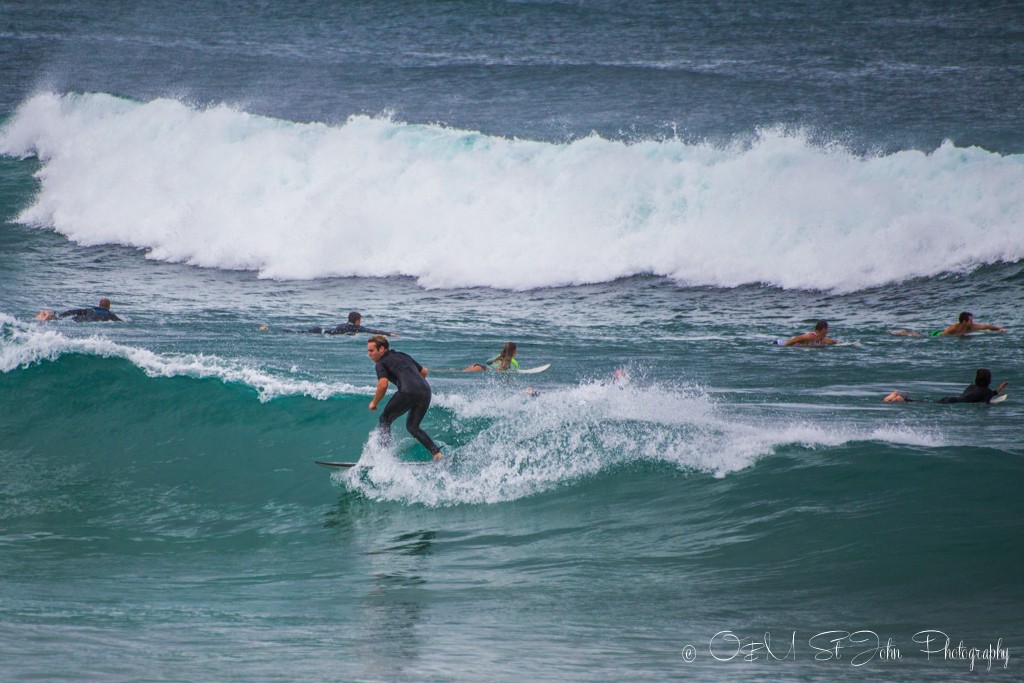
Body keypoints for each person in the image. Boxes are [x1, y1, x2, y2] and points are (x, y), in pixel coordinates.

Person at [367, 335, 443, 460]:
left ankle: (383, 457)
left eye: (371, 351)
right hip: (425, 391)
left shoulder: (381, 363)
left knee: (384, 419)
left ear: (381, 349)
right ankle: (437, 453)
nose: (369, 354)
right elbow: (424, 372)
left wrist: (374, 402)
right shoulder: (403, 355)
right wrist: (415, 387)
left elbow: (383, 384)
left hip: (408, 391)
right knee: (413, 427)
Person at [883, 368, 1008, 404]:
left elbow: (979, 394)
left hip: (951, 398)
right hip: (953, 403)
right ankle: (900, 399)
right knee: (926, 403)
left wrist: (997, 391)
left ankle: (900, 398)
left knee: (926, 402)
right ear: (988, 380)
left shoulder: (971, 387)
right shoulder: (986, 392)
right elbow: (985, 400)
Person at [891, 311, 1007, 337]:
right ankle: (903, 332)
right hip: (937, 334)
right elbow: (942, 336)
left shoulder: (972, 326)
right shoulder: (953, 328)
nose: (972, 322)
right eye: (970, 320)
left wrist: (999, 329)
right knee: (919, 336)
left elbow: (986, 326)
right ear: (964, 321)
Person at [300, 311, 395, 336]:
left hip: (320, 330)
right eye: (360, 320)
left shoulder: (343, 325)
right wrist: (388, 334)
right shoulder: (355, 328)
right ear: (357, 321)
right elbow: (372, 331)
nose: (360, 322)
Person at [36, 298, 122, 323]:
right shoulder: (111, 315)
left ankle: (47, 315)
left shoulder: (91, 310)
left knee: (58, 318)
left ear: (99, 305)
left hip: (80, 318)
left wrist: (62, 315)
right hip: (88, 321)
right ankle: (47, 315)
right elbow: (120, 321)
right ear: (109, 307)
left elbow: (74, 311)